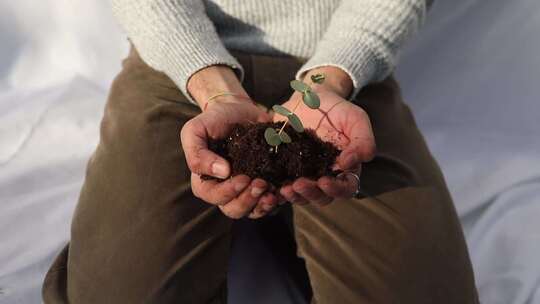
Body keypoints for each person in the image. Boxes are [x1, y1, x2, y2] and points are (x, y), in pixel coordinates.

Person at [42, 0, 479, 303]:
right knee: (124, 292)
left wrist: (330, 79)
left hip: (341, 80)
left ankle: (286, 225)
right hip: (181, 62)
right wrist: (213, 90)